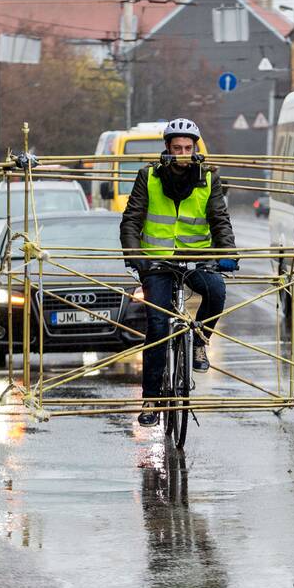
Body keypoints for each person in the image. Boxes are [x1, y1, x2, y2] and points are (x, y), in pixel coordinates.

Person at [120, 118, 237, 427]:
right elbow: (131, 219)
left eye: (188, 148)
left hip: (195, 258)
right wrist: (135, 257)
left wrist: (227, 255)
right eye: (177, 148)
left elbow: (220, 220)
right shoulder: (148, 176)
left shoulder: (209, 178)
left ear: (195, 149)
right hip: (157, 263)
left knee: (217, 291)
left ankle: (199, 339)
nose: (183, 154)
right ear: (167, 150)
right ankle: (150, 399)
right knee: (158, 326)